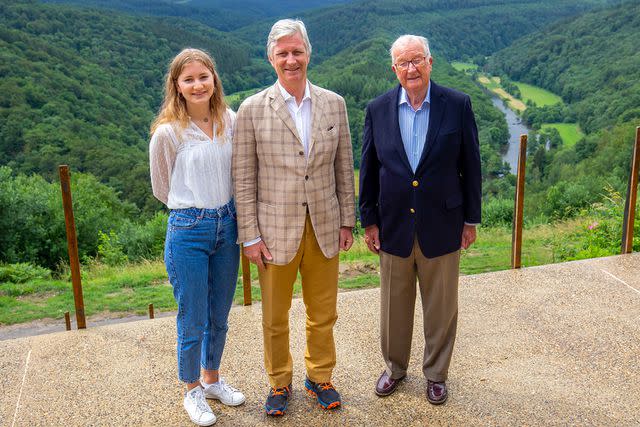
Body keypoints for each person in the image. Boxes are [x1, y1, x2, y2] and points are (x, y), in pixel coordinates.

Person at [232, 19, 355, 416]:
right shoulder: (252, 109)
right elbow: (244, 178)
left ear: (308, 54)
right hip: (272, 231)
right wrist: (249, 235)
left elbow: (343, 166)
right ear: (271, 58)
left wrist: (346, 220)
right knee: (274, 316)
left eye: (297, 51)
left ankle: (319, 376)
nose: (291, 59)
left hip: (324, 225)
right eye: (283, 53)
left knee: (324, 312)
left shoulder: (334, 103)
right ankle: (279, 382)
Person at [359, 35, 481, 405]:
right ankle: (395, 369)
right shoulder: (377, 108)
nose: (411, 69)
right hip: (393, 224)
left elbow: (470, 167)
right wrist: (369, 220)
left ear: (430, 62)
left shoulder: (457, 105)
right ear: (393, 69)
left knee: (441, 307)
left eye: (417, 60)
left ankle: (437, 374)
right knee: (393, 307)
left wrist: (470, 220)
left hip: (443, 224)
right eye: (403, 63)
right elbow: (369, 169)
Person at [149, 48, 246, 426]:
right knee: (192, 318)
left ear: (214, 79)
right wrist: (194, 206)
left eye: (203, 77)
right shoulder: (168, 133)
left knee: (219, 316)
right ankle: (190, 391)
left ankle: (212, 380)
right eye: (188, 79)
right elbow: (161, 188)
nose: (197, 85)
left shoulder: (230, 120)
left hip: (228, 223)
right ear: (177, 86)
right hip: (188, 228)